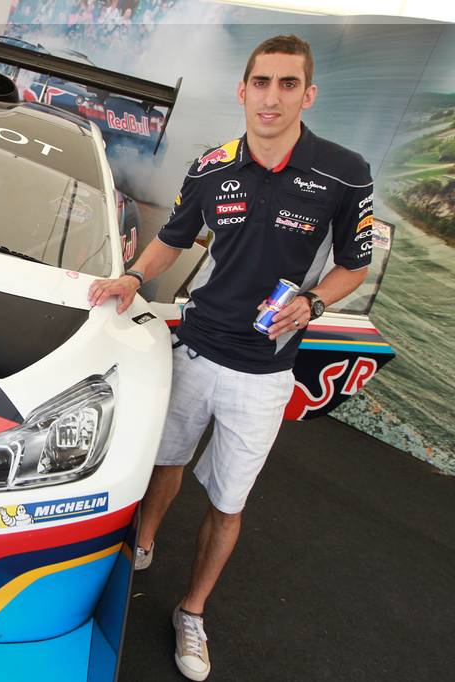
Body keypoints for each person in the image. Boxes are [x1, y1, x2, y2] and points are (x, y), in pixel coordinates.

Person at [88, 35, 373, 681]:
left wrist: (314, 302)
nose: (272, 97)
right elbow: (173, 238)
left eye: (288, 84)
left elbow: (353, 266)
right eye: (261, 83)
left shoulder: (343, 171)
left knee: (229, 502)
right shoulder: (212, 166)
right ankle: (143, 544)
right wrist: (132, 277)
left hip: (265, 371)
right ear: (243, 91)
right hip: (195, 349)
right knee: (166, 461)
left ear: (308, 94)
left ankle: (192, 612)